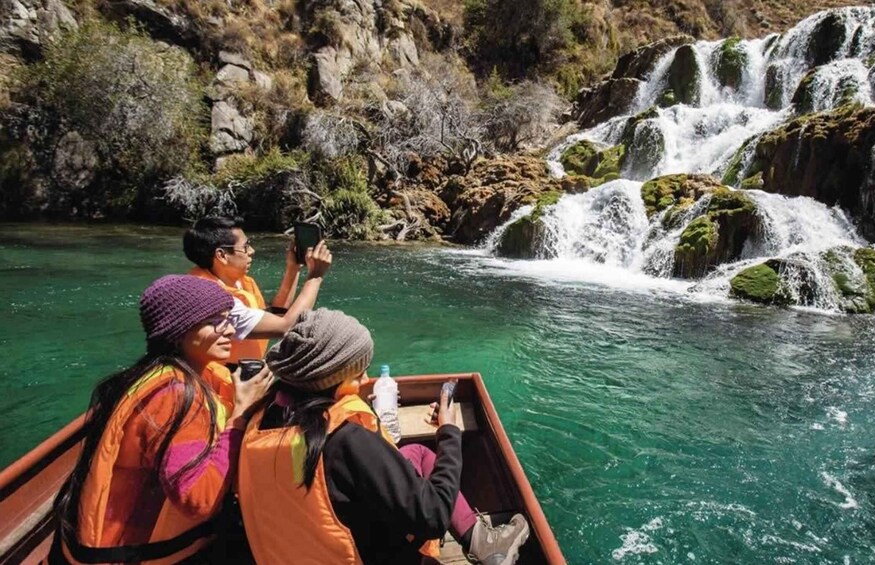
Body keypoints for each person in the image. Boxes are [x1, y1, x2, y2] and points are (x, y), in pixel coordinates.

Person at [237, 309, 530, 565]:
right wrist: (448, 431)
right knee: (430, 482)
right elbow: (435, 515)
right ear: (329, 381)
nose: (366, 381)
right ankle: (484, 544)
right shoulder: (344, 442)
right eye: (357, 375)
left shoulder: (260, 419)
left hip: (297, 548)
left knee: (416, 452)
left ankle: (480, 539)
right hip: (360, 557)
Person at [50, 275, 274, 564]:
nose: (230, 329)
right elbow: (199, 500)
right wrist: (241, 415)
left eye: (228, 318)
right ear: (179, 330)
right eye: (216, 321)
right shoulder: (174, 396)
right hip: (134, 554)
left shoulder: (152, 373)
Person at [183, 216, 332, 364]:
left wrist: (293, 269)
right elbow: (285, 327)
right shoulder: (214, 299)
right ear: (222, 255)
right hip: (224, 380)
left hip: (245, 373)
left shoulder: (238, 282)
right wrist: (315, 276)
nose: (252, 251)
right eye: (245, 247)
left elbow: (277, 316)